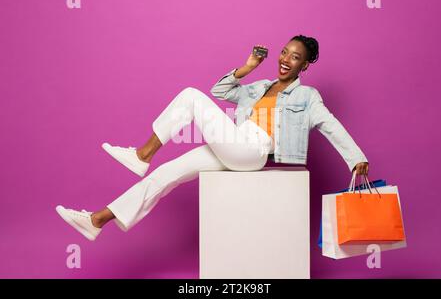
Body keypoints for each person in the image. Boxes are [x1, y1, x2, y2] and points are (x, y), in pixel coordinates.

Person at [56, 34, 369, 241]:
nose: (286, 59)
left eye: (295, 57)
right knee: (167, 174)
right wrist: (247, 67)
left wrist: (357, 158)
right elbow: (220, 92)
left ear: (306, 64)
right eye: (285, 52)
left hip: (253, 149)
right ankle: (97, 221)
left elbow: (330, 124)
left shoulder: (307, 95)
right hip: (234, 142)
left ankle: (142, 155)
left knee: (191, 96)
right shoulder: (261, 86)